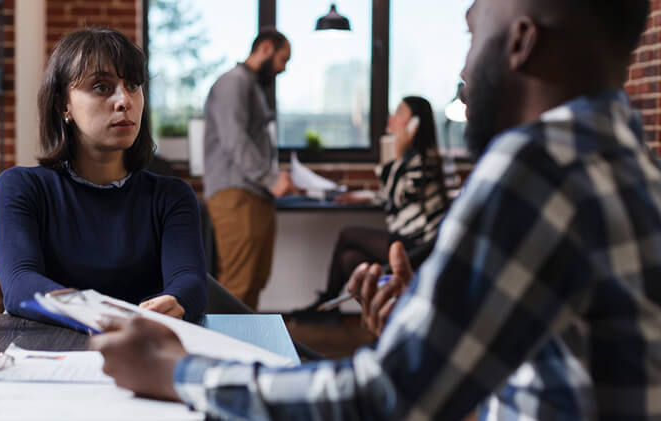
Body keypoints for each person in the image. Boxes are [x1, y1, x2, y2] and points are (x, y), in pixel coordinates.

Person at [90, 0, 661, 419]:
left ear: (521, 43)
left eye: (471, 33)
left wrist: (175, 371)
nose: (462, 72)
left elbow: (389, 398)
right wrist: (432, 326)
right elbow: (552, 379)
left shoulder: (536, 166)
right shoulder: (623, 162)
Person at [0, 28, 207, 323]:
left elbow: (190, 282)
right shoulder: (21, 188)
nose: (125, 101)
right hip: (55, 358)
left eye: (133, 85)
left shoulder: (171, 196)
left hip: (144, 352)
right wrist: (101, 316)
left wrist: (176, 300)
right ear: (62, 105)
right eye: (101, 87)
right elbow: (19, 285)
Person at [290, 96, 450, 322]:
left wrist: (396, 151)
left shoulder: (424, 160)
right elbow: (388, 196)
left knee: (347, 234)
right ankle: (350, 312)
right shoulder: (411, 159)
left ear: (415, 124)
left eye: (399, 113)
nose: (391, 118)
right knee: (349, 259)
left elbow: (398, 197)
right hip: (405, 240)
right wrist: (359, 198)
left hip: (419, 246)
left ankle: (328, 304)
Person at [202, 28, 296, 310]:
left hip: (255, 194)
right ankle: (224, 352)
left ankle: (248, 349)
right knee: (237, 285)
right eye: (283, 59)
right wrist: (271, 178)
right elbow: (235, 139)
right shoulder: (233, 83)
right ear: (266, 48)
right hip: (236, 194)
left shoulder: (254, 86)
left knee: (255, 281)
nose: (283, 68)